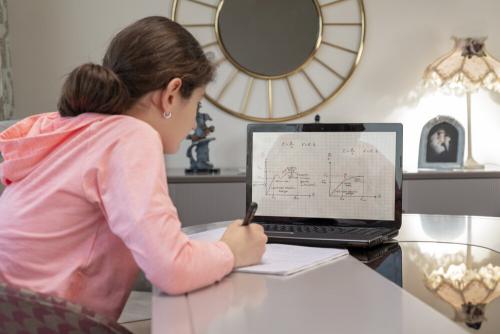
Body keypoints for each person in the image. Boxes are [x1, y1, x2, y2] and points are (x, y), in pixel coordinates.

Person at [0, 16, 267, 320]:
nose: (194, 122)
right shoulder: (130, 137)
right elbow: (172, 269)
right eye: (197, 104)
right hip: (58, 324)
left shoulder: (67, 131)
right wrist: (232, 251)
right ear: (170, 94)